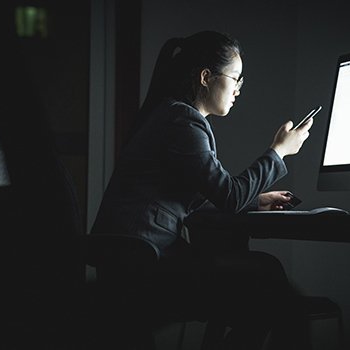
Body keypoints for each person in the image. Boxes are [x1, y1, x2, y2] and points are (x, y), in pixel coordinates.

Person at [91, 30, 313, 349]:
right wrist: (279, 151)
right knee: (268, 277)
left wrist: (256, 199)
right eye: (235, 78)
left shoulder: (170, 115)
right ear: (206, 77)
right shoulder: (183, 121)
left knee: (260, 297)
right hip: (147, 265)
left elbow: (197, 199)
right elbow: (229, 196)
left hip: (126, 261)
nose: (238, 88)